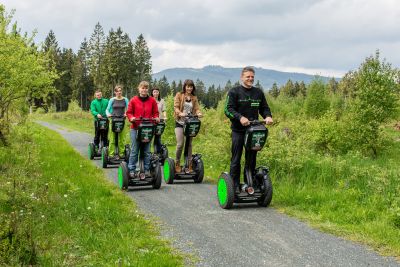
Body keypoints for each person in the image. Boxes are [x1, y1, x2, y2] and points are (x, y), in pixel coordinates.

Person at [224, 66, 273, 192]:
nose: (250, 79)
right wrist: (240, 118)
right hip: (238, 131)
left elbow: (264, 108)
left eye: (252, 77)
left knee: (251, 159)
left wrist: (268, 116)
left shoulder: (258, 92)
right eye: (248, 77)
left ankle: (249, 184)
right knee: (236, 159)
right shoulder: (234, 92)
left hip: (253, 131)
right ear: (242, 77)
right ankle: (234, 187)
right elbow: (228, 110)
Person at [126, 81, 159, 175]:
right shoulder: (133, 100)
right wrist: (131, 118)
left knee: (147, 151)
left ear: (148, 89)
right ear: (139, 88)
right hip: (135, 128)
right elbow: (129, 112)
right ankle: (132, 170)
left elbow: (155, 112)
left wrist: (156, 118)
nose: (144, 90)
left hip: (148, 129)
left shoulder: (152, 100)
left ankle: (147, 170)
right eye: (142, 88)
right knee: (134, 150)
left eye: (146, 88)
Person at [173, 79, 202, 173]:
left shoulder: (194, 97)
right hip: (180, 123)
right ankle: (177, 163)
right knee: (180, 144)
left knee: (189, 144)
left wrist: (199, 113)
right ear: (184, 87)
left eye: (191, 86)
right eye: (187, 86)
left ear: (193, 88)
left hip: (190, 123)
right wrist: (180, 113)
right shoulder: (179, 95)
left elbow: (197, 108)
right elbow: (176, 107)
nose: (189, 88)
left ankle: (189, 164)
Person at [105, 85, 129, 158]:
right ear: (115, 92)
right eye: (117, 91)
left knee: (122, 138)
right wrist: (108, 114)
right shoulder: (112, 100)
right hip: (113, 120)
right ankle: (111, 154)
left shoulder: (125, 99)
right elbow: (107, 109)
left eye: (120, 91)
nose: (119, 92)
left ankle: (121, 153)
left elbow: (129, 109)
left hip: (122, 120)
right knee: (112, 138)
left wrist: (126, 114)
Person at [151, 87, 167, 154]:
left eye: (157, 92)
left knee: (158, 136)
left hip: (160, 120)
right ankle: (149, 152)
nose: (156, 93)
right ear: (152, 93)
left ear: (159, 93)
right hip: (151, 120)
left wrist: (165, 117)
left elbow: (164, 110)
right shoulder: (150, 100)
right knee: (150, 136)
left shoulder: (162, 101)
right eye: (154, 92)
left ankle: (158, 152)